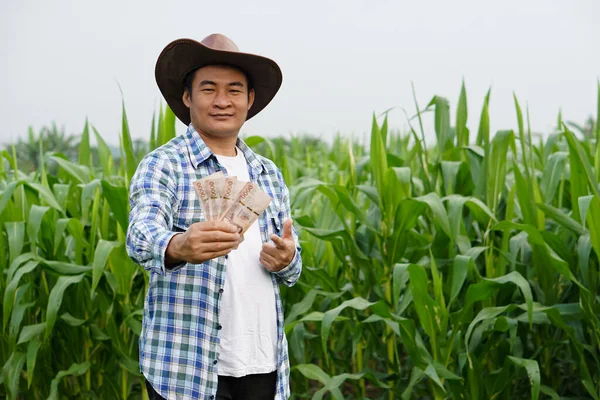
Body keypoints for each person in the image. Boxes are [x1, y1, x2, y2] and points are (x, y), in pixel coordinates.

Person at [126, 33, 302, 400]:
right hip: (185, 369)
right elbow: (140, 234)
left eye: (234, 90)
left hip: (263, 363)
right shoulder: (164, 165)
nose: (223, 101)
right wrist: (179, 245)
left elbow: (292, 267)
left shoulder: (266, 172)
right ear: (188, 97)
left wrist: (286, 259)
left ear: (249, 99)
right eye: (209, 89)